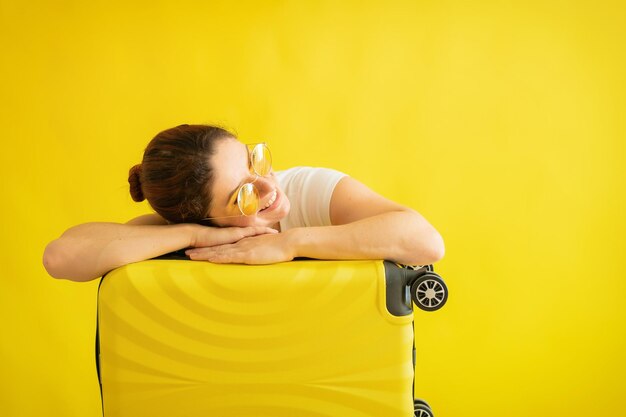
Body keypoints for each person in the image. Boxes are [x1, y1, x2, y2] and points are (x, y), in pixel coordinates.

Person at [43, 124, 445, 282]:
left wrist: (289, 243)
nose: (268, 186)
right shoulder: (184, 232)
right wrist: (193, 235)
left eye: (254, 161)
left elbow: (425, 241)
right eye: (243, 196)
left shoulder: (308, 190)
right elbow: (61, 257)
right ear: (205, 217)